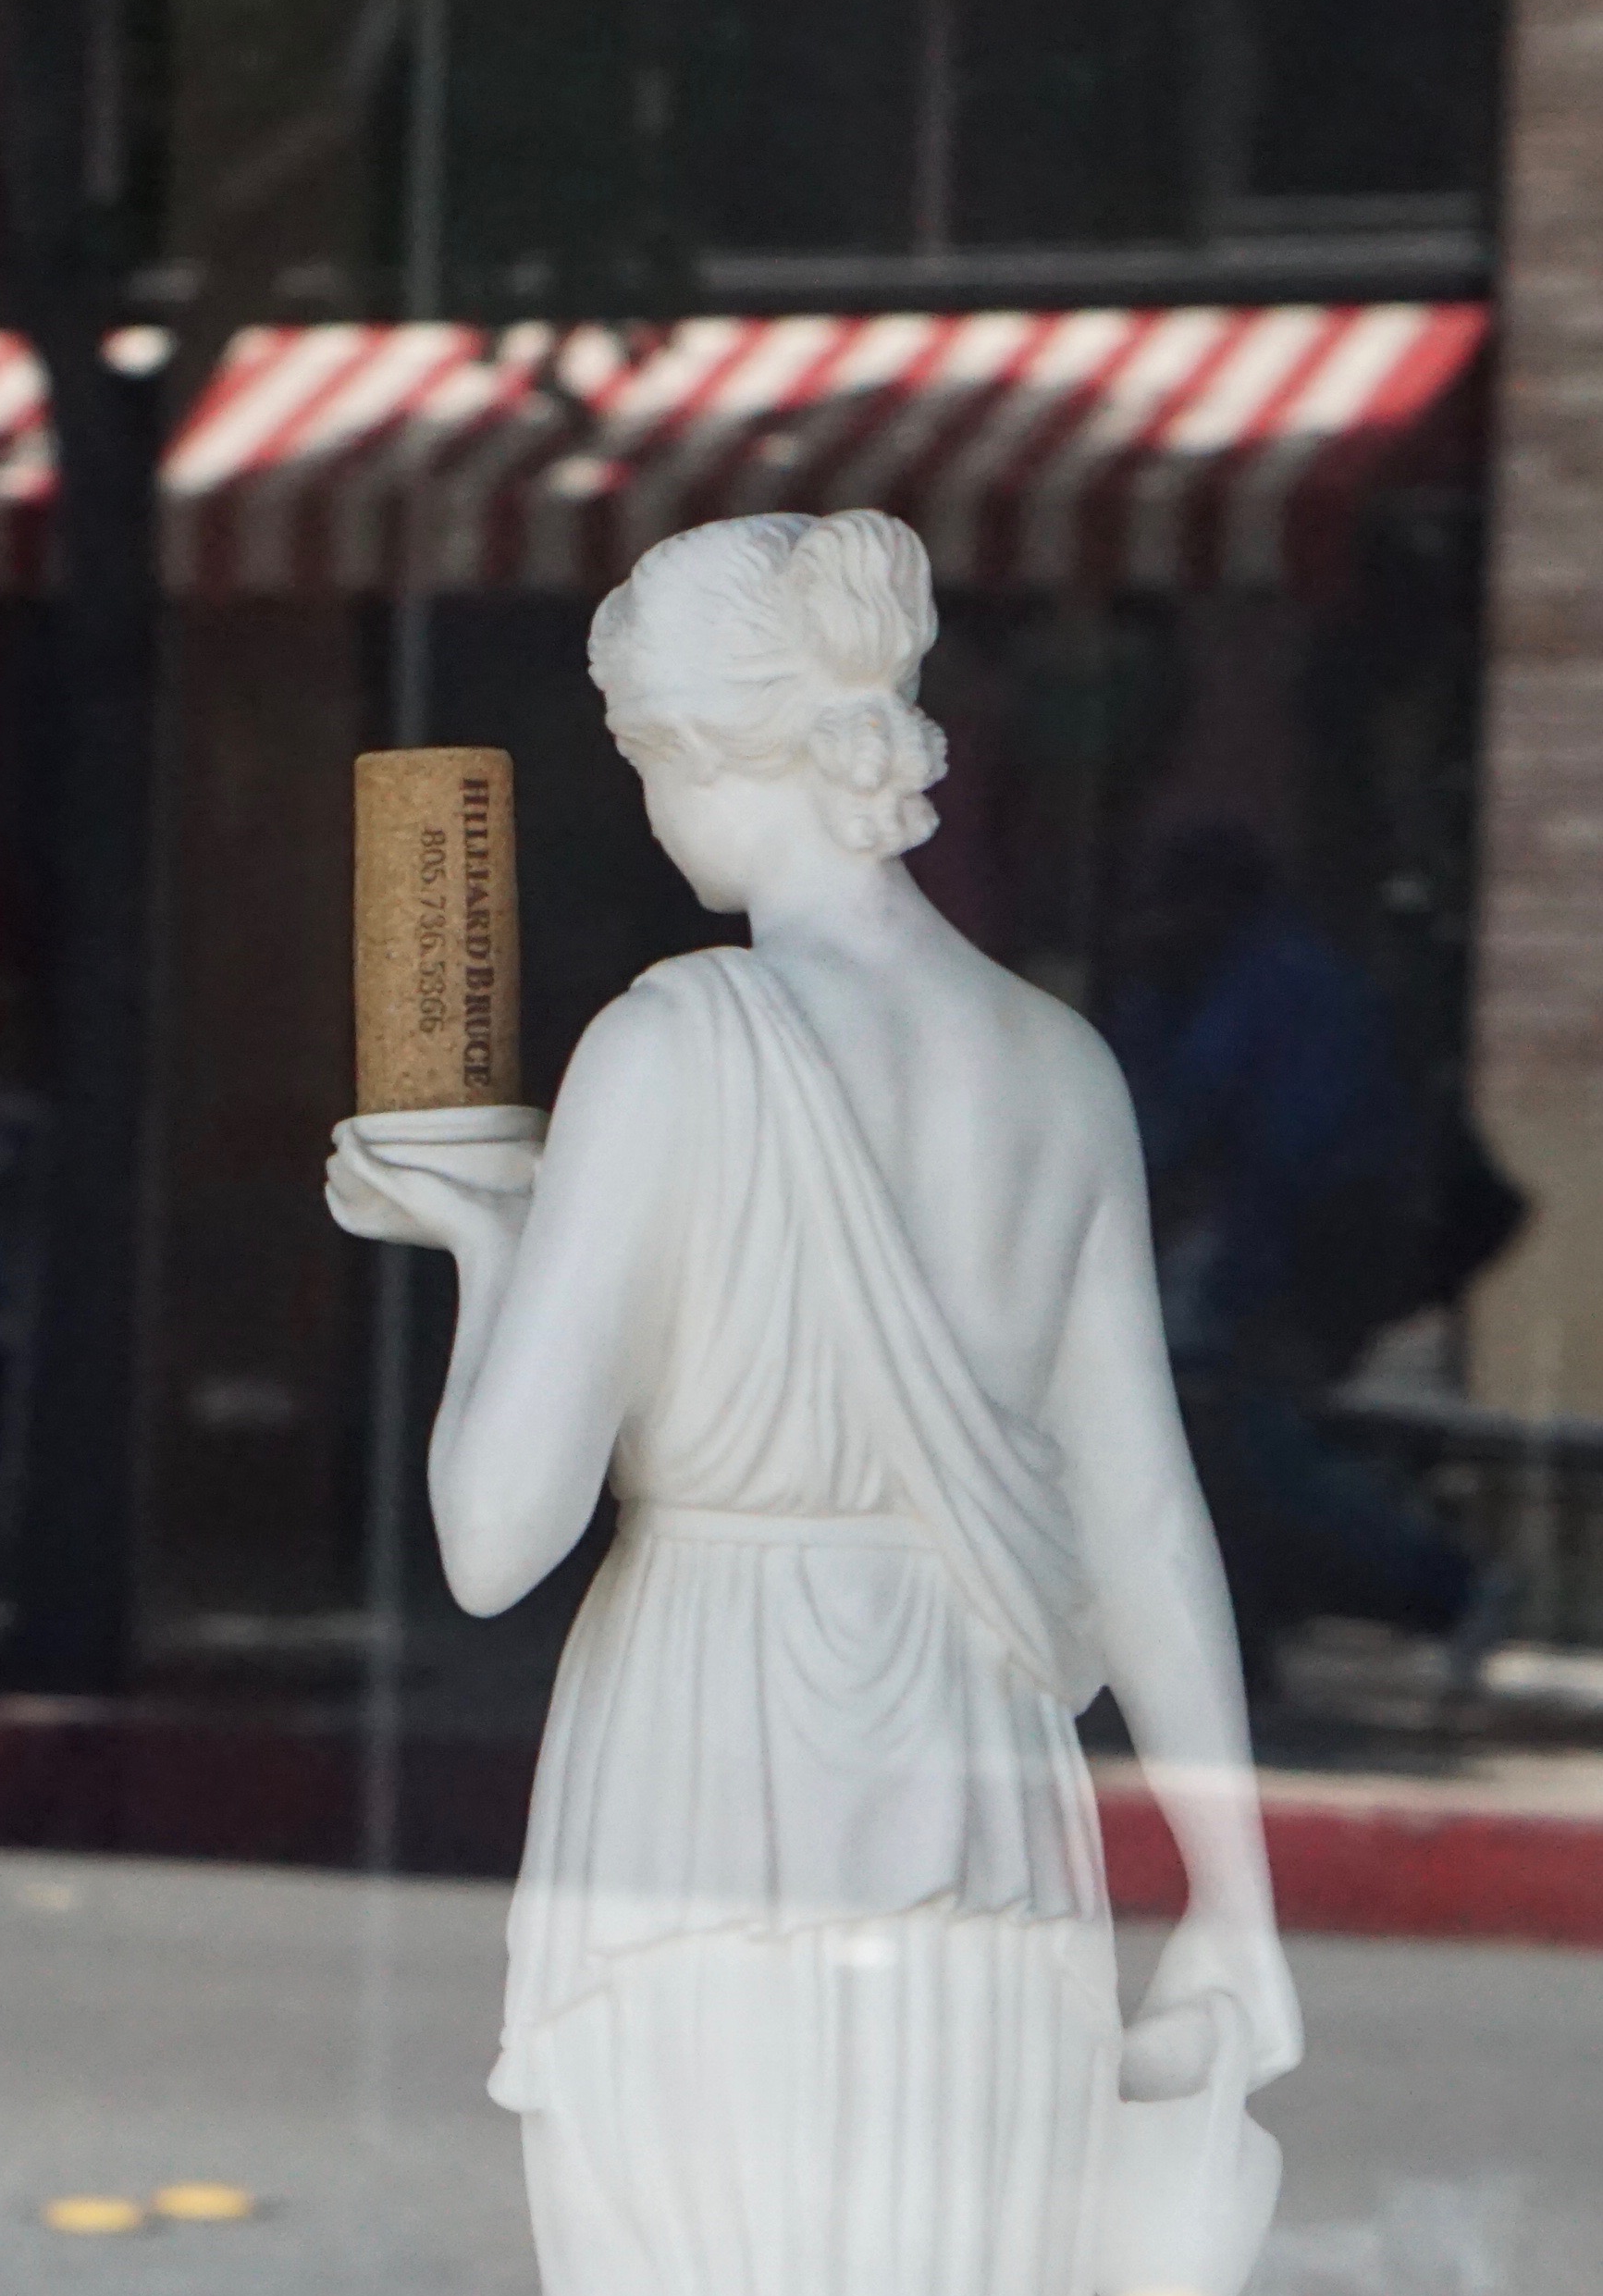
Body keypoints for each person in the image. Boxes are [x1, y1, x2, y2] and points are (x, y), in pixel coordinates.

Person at [327, 512, 1299, 2296]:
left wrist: (490, 1243)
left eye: (642, 762)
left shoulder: (670, 1044)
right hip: (980, 1782)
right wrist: (1233, 1896)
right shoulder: (1058, 1063)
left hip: (712, 1756)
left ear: (707, 751)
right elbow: (1147, 1518)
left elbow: (492, 1540)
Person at [1108, 823, 1512, 1699]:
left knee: (1239, 1428)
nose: (1158, 924)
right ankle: (1262, 1624)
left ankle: (1440, 1584)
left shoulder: (1281, 988)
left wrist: (1231, 1283)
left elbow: (1268, 1157)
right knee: (1227, 1428)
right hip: (1268, 1255)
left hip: (1310, 1254)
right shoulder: (1210, 984)